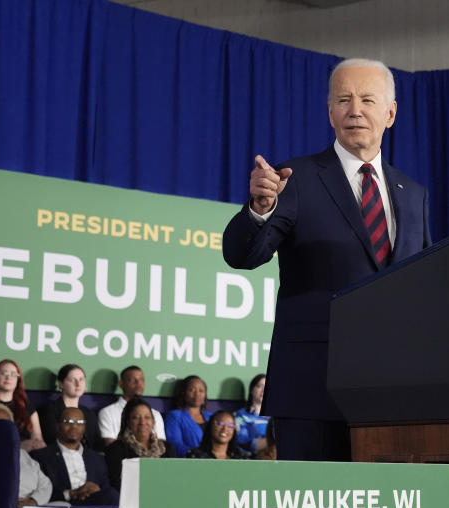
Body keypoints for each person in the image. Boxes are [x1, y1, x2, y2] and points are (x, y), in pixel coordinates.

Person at [222, 58, 431, 462]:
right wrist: (259, 208)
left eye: (368, 100)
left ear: (390, 112)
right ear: (330, 110)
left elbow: (423, 286)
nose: (356, 110)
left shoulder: (413, 193)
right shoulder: (294, 178)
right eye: (344, 99)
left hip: (394, 392)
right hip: (312, 388)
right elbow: (243, 255)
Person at [30, 407, 118, 506]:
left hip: (94, 505)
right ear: (58, 426)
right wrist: (72, 493)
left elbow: (105, 488)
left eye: (79, 422)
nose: (74, 426)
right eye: (68, 422)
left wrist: (94, 489)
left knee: (114, 495)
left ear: (84, 427)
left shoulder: (97, 459)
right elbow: (38, 493)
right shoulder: (41, 457)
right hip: (62, 506)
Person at [0, 402, 52, 508]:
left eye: (6, 424)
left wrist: (33, 501)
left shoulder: (23, 455)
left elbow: (46, 485)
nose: (2, 428)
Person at [105, 398, 175, 490]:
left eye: (147, 417)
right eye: (136, 418)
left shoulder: (167, 448)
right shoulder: (117, 449)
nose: (142, 422)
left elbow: (174, 479)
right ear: (128, 422)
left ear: (153, 421)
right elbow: (117, 483)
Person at [38, 364, 103, 452]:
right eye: (72, 380)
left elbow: (97, 444)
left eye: (81, 379)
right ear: (61, 384)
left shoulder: (89, 414)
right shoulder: (49, 410)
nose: (78, 384)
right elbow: (51, 440)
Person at [97, 365, 166, 446]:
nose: (139, 384)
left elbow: (161, 445)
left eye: (142, 380)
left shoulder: (155, 414)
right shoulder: (107, 413)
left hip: (150, 458)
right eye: (133, 380)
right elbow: (110, 445)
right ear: (121, 384)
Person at [0, 359, 44, 451]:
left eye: (13, 374)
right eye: (4, 373)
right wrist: (19, 446)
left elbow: (37, 438)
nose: (8, 378)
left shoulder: (27, 407)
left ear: (18, 380)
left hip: (26, 456)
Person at [164, 375, 212, 457]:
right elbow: (174, 444)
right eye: (192, 390)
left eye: (201, 391)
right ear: (184, 393)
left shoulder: (212, 417)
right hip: (189, 462)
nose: (197, 394)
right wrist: (195, 454)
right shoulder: (175, 416)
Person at [234, 374, 268, 456]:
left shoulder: (276, 418)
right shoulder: (241, 415)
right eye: (259, 386)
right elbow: (243, 442)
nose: (263, 390)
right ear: (251, 390)